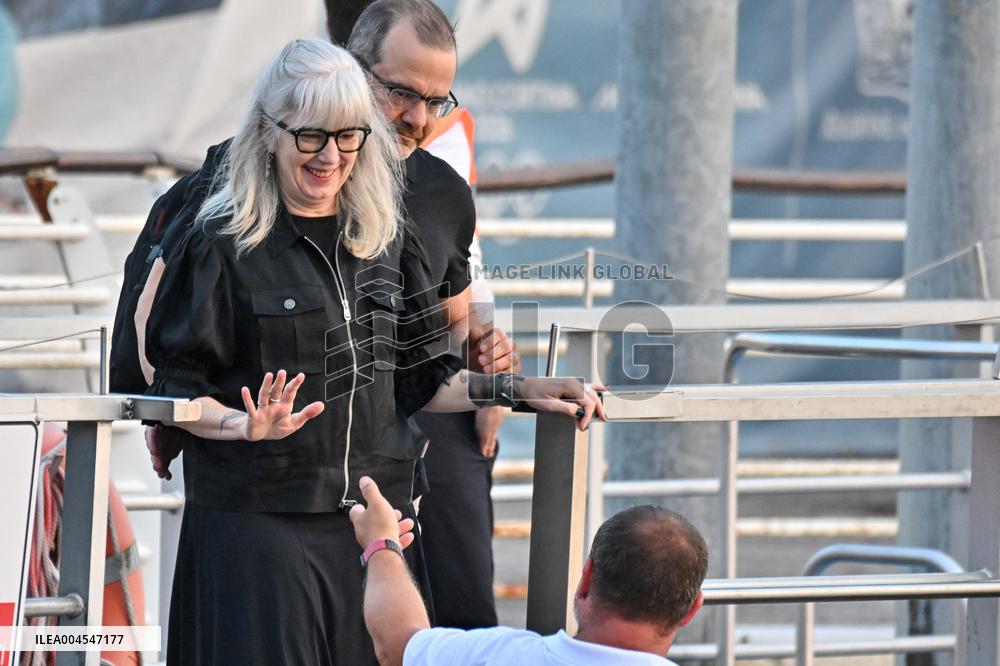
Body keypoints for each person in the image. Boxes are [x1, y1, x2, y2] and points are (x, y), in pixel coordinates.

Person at [142, 38, 604, 665]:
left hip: (371, 534)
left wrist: (520, 390)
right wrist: (241, 426)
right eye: (310, 136)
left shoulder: (384, 238)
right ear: (269, 132)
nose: (330, 156)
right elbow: (174, 394)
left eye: (349, 136)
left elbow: (418, 379)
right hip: (257, 536)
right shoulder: (220, 244)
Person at [344, 0, 507, 629]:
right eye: (399, 93)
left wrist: (491, 358)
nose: (418, 117)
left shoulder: (442, 162)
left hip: (431, 408)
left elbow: (465, 261)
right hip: (324, 430)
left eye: (434, 99)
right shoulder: (291, 145)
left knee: (462, 611)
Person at [349, 476, 707, 666]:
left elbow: (397, 646)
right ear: (691, 609)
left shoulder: (500, 655)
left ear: (585, 580)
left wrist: (382, 545)